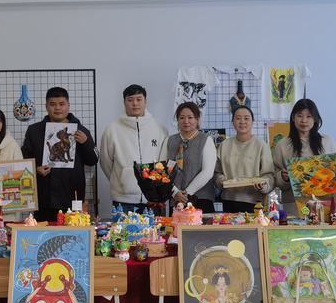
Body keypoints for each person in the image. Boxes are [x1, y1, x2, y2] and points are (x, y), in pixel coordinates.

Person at [21, 87, 98, 222]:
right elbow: (24, 160)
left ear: (68, 106)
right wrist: (36, 169)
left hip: (72, 197)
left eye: (62, 104)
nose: (57, 108)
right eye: (52, 104)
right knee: (42, 232)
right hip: (43, 197)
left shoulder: (80, 131)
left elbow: (93, 160)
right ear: (46, 106)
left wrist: (86, 142)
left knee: (73, 231)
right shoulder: (34, 131)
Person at [100, 84, 168, 212]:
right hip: (123, 200)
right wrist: (122, 178)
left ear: (145, 101)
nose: (135, 103)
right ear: (124, 102)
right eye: (130, 100)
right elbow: (105, 162)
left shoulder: (159, 128)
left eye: (139, 99)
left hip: (154, 199)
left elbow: (163, 162)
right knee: (123, 227)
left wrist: (156, 189)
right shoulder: (112, 129)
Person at [273, 98, 336, 215]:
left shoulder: (327, 141)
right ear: (293, 118)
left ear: (315, 119)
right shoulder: (282, 145)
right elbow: (275, 178)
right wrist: (283, 177)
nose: (304, 120)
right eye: (300, 115)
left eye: (309, 116)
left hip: (324, 205)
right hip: (294, 206)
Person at [214, 106, 274, 213]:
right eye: (238, 118)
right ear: (232, 122)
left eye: (246, 118)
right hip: (229, 200)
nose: (242, 122)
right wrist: (220, 180)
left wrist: (263, 185)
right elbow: (217, 172)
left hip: (254, 202)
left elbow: (269, 175)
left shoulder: (261, 145)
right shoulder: (224, 145)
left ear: (252, 122)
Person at [159, 102, 217, 213]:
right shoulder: (169, 140)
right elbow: (161, 170)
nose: (186, 121)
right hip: (176, 200)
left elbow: (207, 172)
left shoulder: (206, 140)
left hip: (201, 199)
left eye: (190, 117)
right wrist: (175, 192)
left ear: (197, 119)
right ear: (177, 120)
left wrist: (186, 193)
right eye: (182, 118)